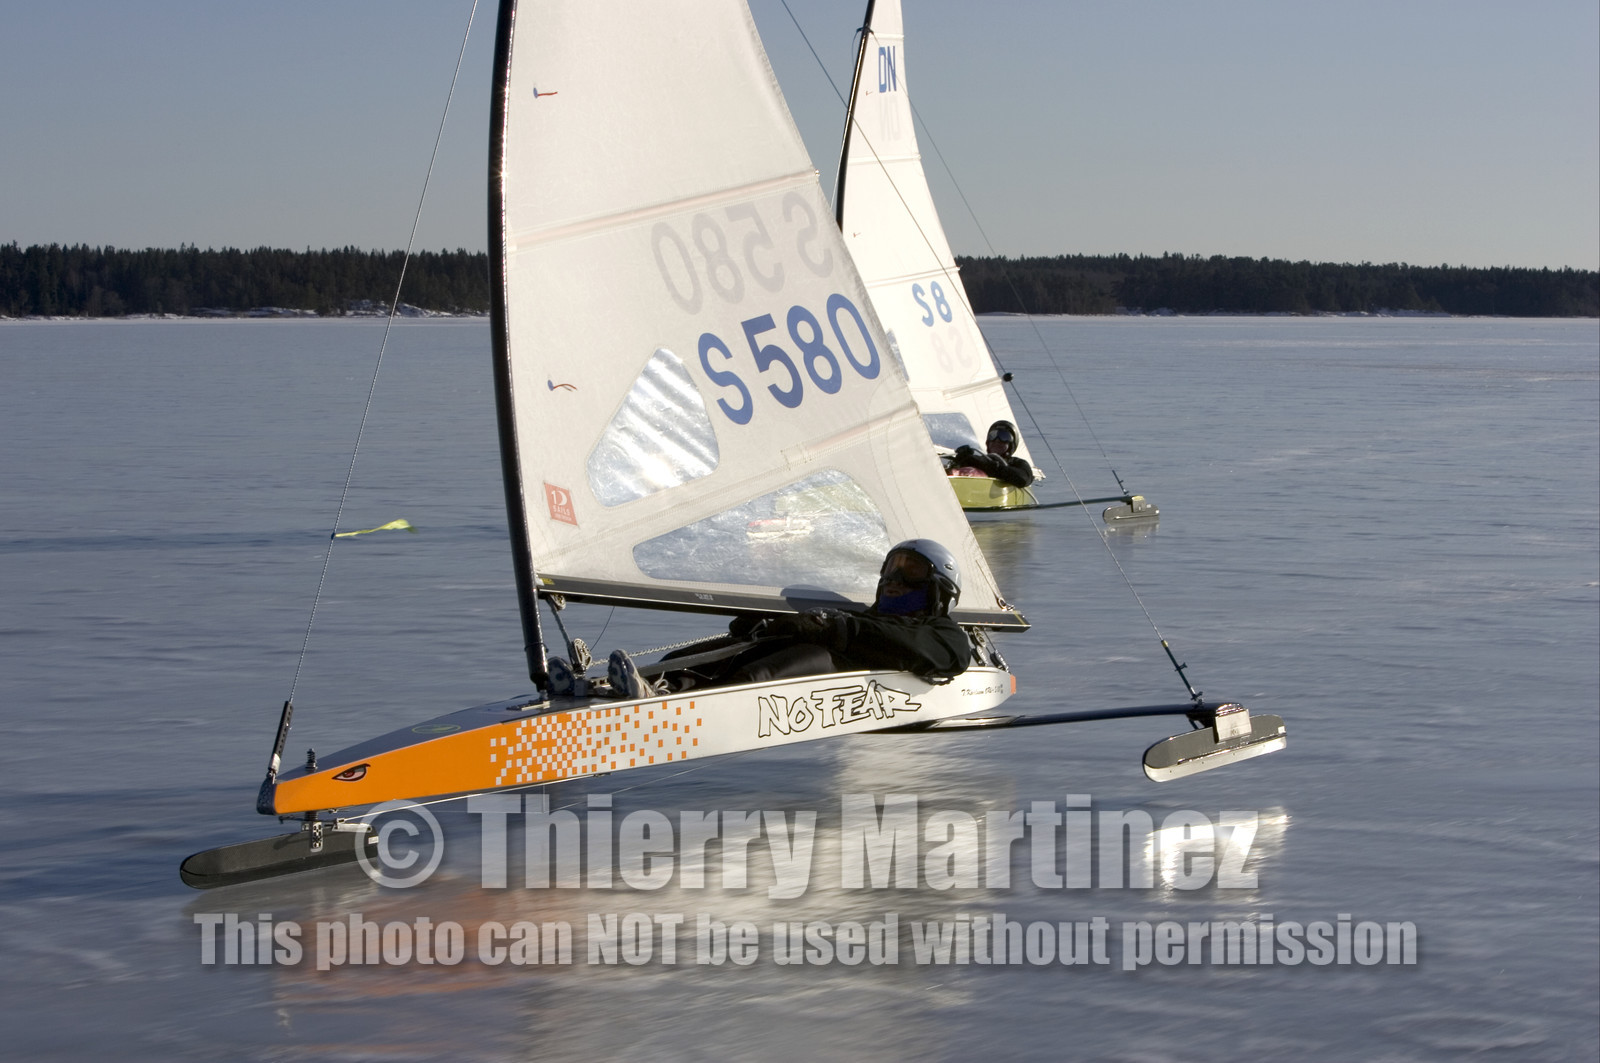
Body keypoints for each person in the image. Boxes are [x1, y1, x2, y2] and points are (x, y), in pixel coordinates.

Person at [603, 539, 973, 697]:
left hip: (844, 670)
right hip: (823, 653)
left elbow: (946, 657)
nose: (895, 579)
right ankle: (641, 684)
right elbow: (842, 623)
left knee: (763, 672)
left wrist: (834, 625)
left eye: (911, 571)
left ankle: (672, 702)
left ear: (939, 588)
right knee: (728, 649)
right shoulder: (861, 615)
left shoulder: (944, 632)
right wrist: (759, 621)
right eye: (891, 568)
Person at [945, 419, 1034, 488]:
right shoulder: (979, 460)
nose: (997, 440)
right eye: (993, 435)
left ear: (1011, 445)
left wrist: (994, 467)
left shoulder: (1017, 463)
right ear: (988, 442)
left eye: (1004, 436)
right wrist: (961, 458)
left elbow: (1024, 479)